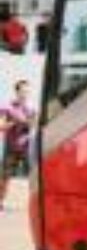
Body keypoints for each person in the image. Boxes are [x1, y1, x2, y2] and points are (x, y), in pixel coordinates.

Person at [0, 80, 35, 211]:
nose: (25, 94)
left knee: (34, 176)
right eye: (23, 91)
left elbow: (34, 125)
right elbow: (1, 126)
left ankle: (35, 203)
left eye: (27, 91)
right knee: (4, 177)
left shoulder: (32, 108)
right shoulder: (7, 107)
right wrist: (14, 123)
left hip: (27, 146)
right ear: (17, 92)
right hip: (11, 147)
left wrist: (29, 122)